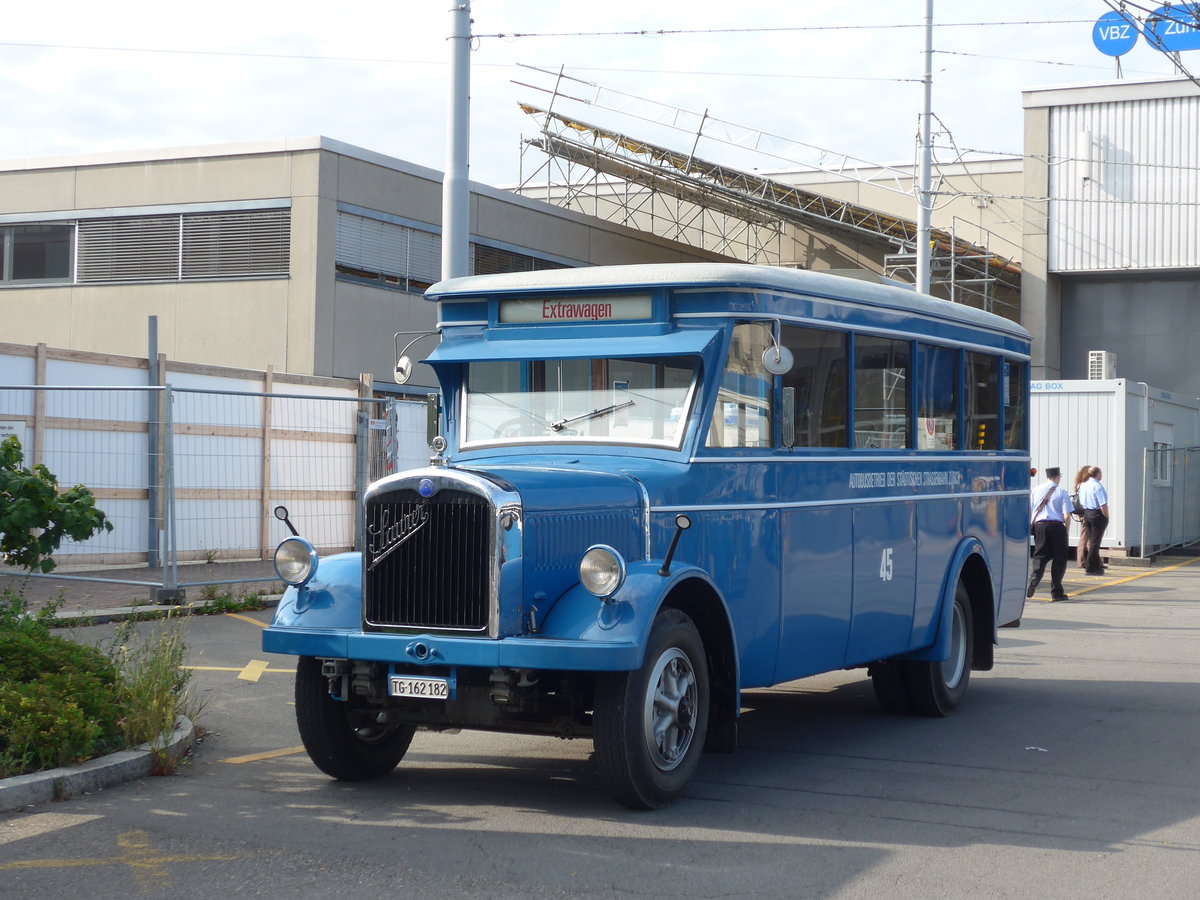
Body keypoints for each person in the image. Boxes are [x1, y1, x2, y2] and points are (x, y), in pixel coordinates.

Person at [1028, 466, 1073, 601]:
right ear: (1058, 477)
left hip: (1040, 526)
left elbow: (1029, 511)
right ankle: (1057, 592)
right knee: (1059, 559)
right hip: (1057, 527)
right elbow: (1067, 516)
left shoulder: (1035, 490)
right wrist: (1066, 531)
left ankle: (1034, 578)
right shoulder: (1061, 492)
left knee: (1040, 555)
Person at [1078, 465, 1110, 575]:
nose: (1101, 475)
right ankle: (1090, 566)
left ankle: (1096, 564)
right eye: (1100, 473)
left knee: (1092, 540)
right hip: (1097, 514)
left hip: (1087, 512)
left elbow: (1081, 501)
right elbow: (1103, 505)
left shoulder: (1083, 485)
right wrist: (1106, 516)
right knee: (1095, 542)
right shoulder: (1098, 487)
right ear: (1097, 474)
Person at [1072, 465, 1092, 568]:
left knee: (1088, 538)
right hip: (1086, 513)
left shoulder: (1079, 485)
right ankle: (1081, 561)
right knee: (1084, 537)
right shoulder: (1085, 485)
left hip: (1082, 513)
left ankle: (1092, 560)